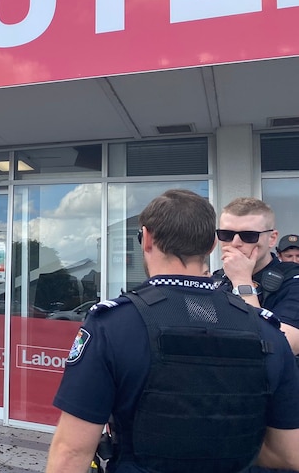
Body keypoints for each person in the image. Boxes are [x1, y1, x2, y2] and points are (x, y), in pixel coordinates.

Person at [46, 189, 299, 473]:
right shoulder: (267, 331)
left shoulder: (112, 325)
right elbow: (289, 455)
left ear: (147, 238)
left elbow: (71, 453)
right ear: (213, 245)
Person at [214, 198, 299, 354]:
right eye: (226, 234)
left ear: (272, 238)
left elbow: (283, 345)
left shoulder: (293, 281)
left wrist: (242, 282)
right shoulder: (217, 280)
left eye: (249, 236)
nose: (235, 243)